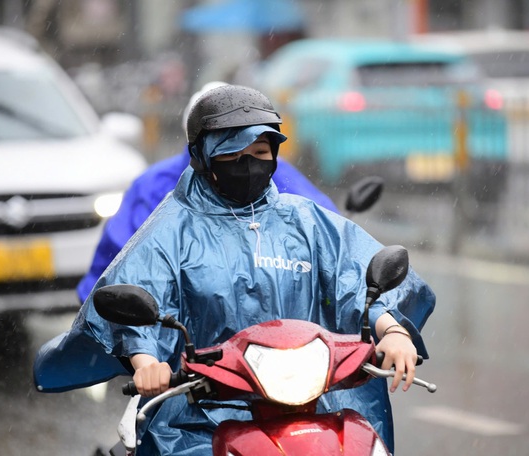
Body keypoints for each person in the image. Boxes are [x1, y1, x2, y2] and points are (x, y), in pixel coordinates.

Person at [34, 84, 436, 455]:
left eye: (260, 154)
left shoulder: (308, 221)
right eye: (232, 155)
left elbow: (355, 280)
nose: (248, 165)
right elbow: (144, 293)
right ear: (202, 157)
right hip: (201, 415)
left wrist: (394, 331)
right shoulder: (172, 229)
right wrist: (146, 362)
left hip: (312, 402)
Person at [76, 81, 338, 304]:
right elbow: (123, 264)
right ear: (202, 150)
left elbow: (331, 245)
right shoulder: (158, 194)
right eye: (229, 150)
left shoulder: (283, 180)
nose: (247, 163)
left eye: (257, 149)